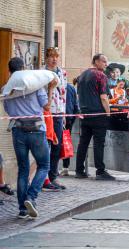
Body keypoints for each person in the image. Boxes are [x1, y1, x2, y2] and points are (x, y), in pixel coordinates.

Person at [3, 57, 56, 218]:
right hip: (37, 129)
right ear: (24, 68)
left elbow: (8, 110)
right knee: (44, 165)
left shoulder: (7, 88)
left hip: (18, 130)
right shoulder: (34, 85)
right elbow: (46, 106)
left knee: (23, 169)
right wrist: (51, 89)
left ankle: (22, 209)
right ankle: (31, 197)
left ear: (9, 71)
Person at [75, 53, 115, 180]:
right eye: (104, 61)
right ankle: (100, 171)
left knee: (83, 143)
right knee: (99, 143)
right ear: (96, 61)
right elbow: (104, 97)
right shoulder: (100, 75)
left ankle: (79, 170)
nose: (106, 64)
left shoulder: (82, 75)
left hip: (85, 114)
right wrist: (108, 113)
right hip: (98, 114)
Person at [43, 47, 68, 191]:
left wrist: (63, 114)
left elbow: (64, 94)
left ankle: (53, 176)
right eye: (51, 56)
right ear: (46, 58)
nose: (54, 59)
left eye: (56, 56)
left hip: (58, 112)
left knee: (57, 146)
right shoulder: (42, 72)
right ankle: (44, 177)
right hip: (47, 113)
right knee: (46, 145)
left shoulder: (62, 72)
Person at [61, 80, 80, 177]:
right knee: (66, 141)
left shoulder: (55, 85)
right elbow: (75, 103)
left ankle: (53, 169)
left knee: (55, 143)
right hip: (69, 117)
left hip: (58, 117)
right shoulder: (71, 87)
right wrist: (76, 113)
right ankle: (65, 167)